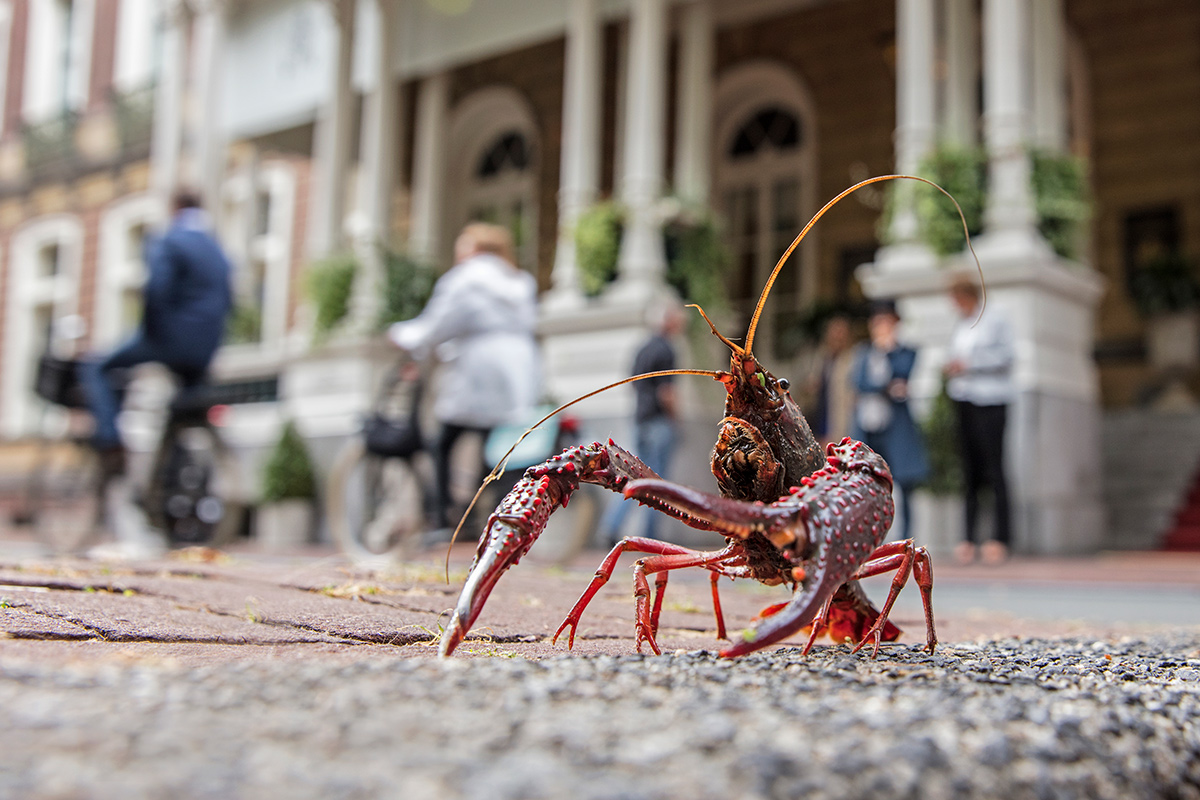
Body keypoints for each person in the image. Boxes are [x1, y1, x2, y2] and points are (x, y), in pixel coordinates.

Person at [388, 222, 540, 532]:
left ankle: (447, 516)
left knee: (443, 441)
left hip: (478, 368)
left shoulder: (465, 278)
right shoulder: (520, 281)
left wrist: (404, 336)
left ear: (475, 249)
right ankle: (483, 510)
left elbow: (437, 324)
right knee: (492, 442)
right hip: (518, 367)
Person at [83, 189, 233, 472]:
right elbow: (229, 300)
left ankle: (111, 440)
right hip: (206, 347)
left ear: (175, 208)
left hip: (169, 340)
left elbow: (156, 290)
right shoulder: (219, 251)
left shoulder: (170, 240)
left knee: (97, 367)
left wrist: (151, 333)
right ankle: (173, 468)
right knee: (185, 403)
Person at [597, 301, 684, 545]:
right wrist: (676, 418)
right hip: (658, 422)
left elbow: (634, 382)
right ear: (669, 321)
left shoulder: (643, 348)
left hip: (640, 419)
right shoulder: (667, 349)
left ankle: (611, 526)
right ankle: (650, 537)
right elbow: (666, 391)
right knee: (656, 483)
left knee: (633, 478)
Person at [944, 275, 1015, 565]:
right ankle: (969, 537)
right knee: (970, 471)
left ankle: (1000, 537)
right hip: (965, 400)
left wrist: (970, 365)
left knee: (994, 469)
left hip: (991, 400)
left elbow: (1008, 356)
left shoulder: (995, 320)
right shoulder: (961, 326)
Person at [849, 300, 929, 542]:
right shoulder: (865, 353)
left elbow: (903, 375)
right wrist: (885, 387)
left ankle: (906, 537)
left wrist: (887, 353)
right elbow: (860, 383)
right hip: (869, 424)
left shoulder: (905, 352)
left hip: (896, 427)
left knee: (904, 482)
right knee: (866, 479)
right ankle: (869, 535)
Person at [808, 314, 857, 446]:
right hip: (819, 417)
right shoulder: (822, 357)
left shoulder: (853, 359)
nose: (837, 337)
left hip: (840, 420)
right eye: (834, 332)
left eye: (841, 333)